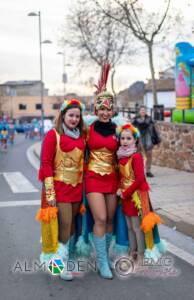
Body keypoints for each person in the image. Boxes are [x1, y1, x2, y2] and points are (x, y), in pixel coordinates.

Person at [36, 98, 86, 281]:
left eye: (77, 116)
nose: (74, 119)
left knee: (71, 227)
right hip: (59, 190)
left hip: (76, 191)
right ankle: (56, 265)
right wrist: (50, 193)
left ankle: (60, 259)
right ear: (63, 115)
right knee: (64, 226)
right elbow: (46, 164)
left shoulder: (81, 136)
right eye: (71, 115)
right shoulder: (53, 135)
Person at [84, 64, 118, 279]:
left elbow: (128, 154)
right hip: (93, 178)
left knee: (111, 219)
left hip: (113, 179)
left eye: (108, 109)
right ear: (96, 110)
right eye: (101, 109)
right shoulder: (88, 128)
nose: (105, 112)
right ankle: (103, 262)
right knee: (101, 218)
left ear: (112, 110)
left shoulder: (120, 129)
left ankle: (103, 256)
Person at [117, 123, 166, 263]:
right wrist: (120, 188)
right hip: (125, 196)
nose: (125, 141)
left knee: (137, 227)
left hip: (136, 196)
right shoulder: (120, 156)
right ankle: (132, 251)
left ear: (135, 140)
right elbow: (121, 177)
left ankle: (141, 254)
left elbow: (139, 179)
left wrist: (126, 193)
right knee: (129, 227)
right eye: (122, 138)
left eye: (128, 138)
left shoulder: (136, 157)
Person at [133, 105, 159, 177]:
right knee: (139, 157)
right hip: (139, 139)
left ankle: (148, 171)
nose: (143, 111)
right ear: (139, 111)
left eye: (144, 110)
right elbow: (131, 130)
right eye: (141, 110)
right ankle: (138, 171)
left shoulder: (150, 119)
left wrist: (157, 138)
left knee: (149, 155)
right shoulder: (135, 119)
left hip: (148, 139)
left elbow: (154, 129)